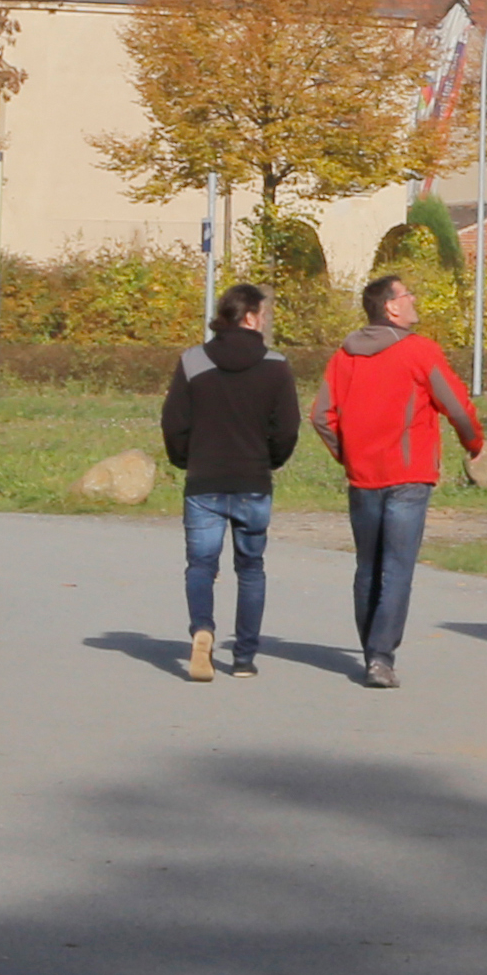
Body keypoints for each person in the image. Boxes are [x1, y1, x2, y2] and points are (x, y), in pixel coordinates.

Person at [315, 274, 482, 688]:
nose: (414, 299)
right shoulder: (420, 352)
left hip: (363, 476)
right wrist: (473, 443)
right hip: (410, 474)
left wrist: (347, 453)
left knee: (367, 566)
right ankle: (381, 657)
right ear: (391, 307)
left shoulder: (344, 356)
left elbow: (321, 416)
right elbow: (457, 406)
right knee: (397, 567)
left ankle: (372, 650)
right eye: (408, 294)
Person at [160, 283, 304, 680]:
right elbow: (288, 427)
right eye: (264, 314)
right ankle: (243, 657)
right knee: (251, 568)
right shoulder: (276, 364)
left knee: (201, 565)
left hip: (204, 480)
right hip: (252, 480)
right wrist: (270, 460)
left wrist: (185, 459)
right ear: (251, 317)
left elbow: (174, 423)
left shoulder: (192, 361)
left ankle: (202, 629)